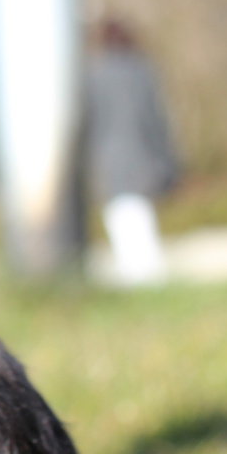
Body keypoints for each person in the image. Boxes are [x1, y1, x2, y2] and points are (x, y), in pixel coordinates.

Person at [82, 18, 180, 286]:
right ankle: (147, 279)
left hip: (109, 162)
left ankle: (142, 281)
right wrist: (168, 160)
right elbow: (156, 120)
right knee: (139, 220)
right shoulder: (142, 72)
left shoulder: (93, 75)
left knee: (125, 223)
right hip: (144, 159)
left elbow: (88, 124)